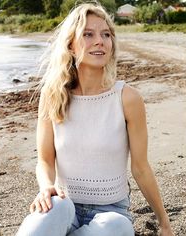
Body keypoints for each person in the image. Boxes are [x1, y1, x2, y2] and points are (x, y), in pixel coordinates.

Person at [16, 2, 174, 236]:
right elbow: (45, 160)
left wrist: (164, 223)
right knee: (43, 220)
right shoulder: (52, 96)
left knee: (117, 227)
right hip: (63, 203)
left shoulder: (127, 98)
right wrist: (46, 187)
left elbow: (140, 168)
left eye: (106, 34)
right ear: (70, 45)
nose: (100, 41)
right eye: (88, 34)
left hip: (110, 213)